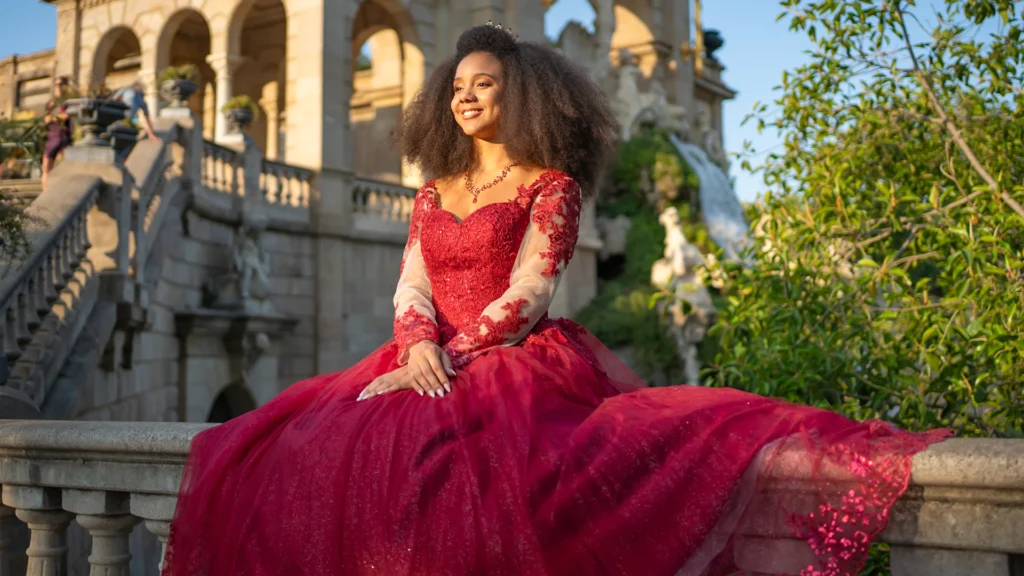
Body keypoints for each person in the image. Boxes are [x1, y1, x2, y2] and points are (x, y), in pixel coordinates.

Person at [163, 24, 950, 576]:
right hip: (425, 357)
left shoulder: (552, 186)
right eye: (458, 87)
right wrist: (416, 344)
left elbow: (532, 291)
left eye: (485, 85)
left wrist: (449, 354)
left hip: (507, 361)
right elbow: (413, 279)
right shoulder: (434, 189)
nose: (467, 97)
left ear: (523, 96)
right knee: (297, 456)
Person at [41, 78, 73, 190]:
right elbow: (46, 119)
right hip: (52, 137)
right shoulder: (51, 103)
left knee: (63, 167)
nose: (58, 87)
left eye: (60, 84)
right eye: (56, 84)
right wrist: (56, 117)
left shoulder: (68, 102)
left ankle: (62, 190)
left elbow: (66, 116)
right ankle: (46, 193)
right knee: (46, 167)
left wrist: (53, 117)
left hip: (64, 137)